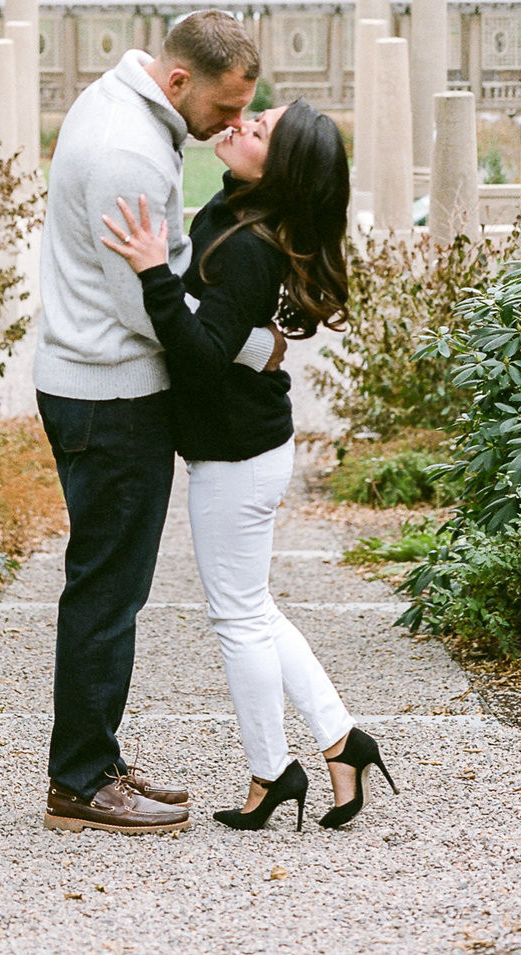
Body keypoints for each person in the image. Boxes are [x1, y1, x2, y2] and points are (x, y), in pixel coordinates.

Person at [99, 99, 395, 831]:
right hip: (244, 447)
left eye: (260, 129)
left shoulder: (251, 246)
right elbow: (225, 330)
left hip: (237, 454)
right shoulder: (237, 209)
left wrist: (150, 270)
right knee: (252, 608)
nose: (243, 122)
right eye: (255, 114)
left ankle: (271, 772)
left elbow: (198, 357)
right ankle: (341, 741)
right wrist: (254, 340)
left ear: (280, 167)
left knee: (237, 616)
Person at [34, 10, 273, 835]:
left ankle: (96, 755)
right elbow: (148, 304)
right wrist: (247, 347)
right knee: (108, 587)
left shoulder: (126, 101)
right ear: (178, 83)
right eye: (227, 106)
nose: (235, 124)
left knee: (113, 583)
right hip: (110, 392)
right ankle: (81, 780)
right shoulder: (130, 151)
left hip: (99, 382)